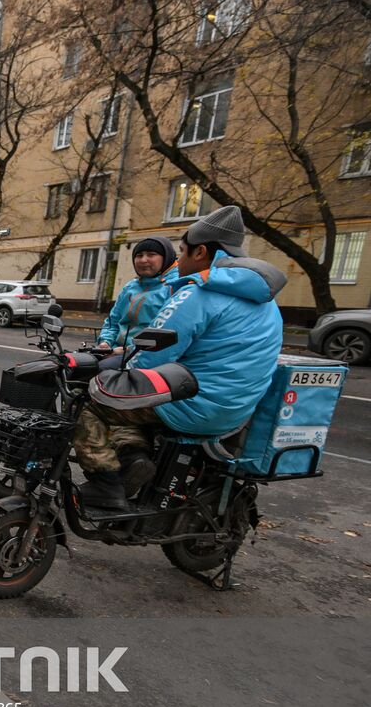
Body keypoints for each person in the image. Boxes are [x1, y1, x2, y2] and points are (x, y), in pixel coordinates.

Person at [75, 205, 286, 509]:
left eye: (183, 252)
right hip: (237, 409)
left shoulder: (197, 293)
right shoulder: (265, 301)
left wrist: (116, 377)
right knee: (126, 406)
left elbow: (150, 357)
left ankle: (107, 484)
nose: (179, 260)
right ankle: (135, 460)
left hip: (195, 405)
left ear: (200, 252)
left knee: (93, 403)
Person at [96, 236, 178, 351]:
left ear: (166, 258)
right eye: (139, 255)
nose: (143, 260)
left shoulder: (175, 287)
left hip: (144, 354)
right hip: (115, 350)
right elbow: (113, 321)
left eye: (151, 254)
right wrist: (105, 342)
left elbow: (165, 333)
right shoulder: (130, 287)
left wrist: (128, 350)